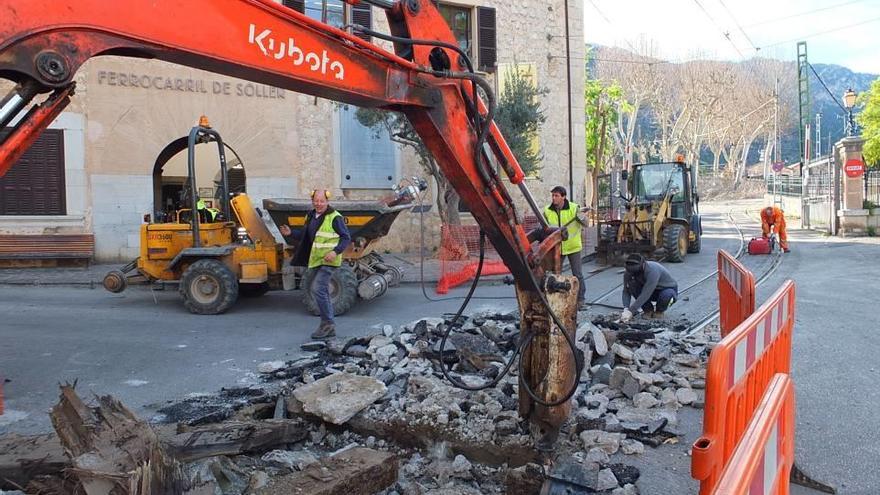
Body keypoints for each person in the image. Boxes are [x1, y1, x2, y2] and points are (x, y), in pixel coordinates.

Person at [279, 188, 351, 340]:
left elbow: (346, 238)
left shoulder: (335, 217)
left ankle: (327, 324)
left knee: (318, 289)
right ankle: (328, 324)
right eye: (316, 201)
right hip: (316, 259)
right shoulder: (311, 216)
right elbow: (305, 236)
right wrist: (290, 233)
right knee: (320, 290)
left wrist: (335, 251)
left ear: (327, 202)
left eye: (322, 201)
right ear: (312, 201)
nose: (319, 204)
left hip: (329, 260)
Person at [543, 186, 590, 308]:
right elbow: (544, 228)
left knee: (577, 274)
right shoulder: (547, 210)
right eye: (553, 195)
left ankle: (580, 300)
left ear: (563, 197)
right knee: (555, 274)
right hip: (557, 247)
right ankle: (555, 300)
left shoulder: (574, 209)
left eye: (556, 195)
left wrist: (582, 218)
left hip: (573, 246)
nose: (554, 198)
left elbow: (586, 223)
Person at [619, 253, 678, 322]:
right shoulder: (629, 272)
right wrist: (626, 309)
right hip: (650, 291)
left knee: (667, 295)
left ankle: (659, 311)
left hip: (666, 290)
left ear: (643, 265)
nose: (633, 274)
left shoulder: (652, 270)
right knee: (632, 286)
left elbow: (646, 293)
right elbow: (626, 291)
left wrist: (631, 311)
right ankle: (648, 310)